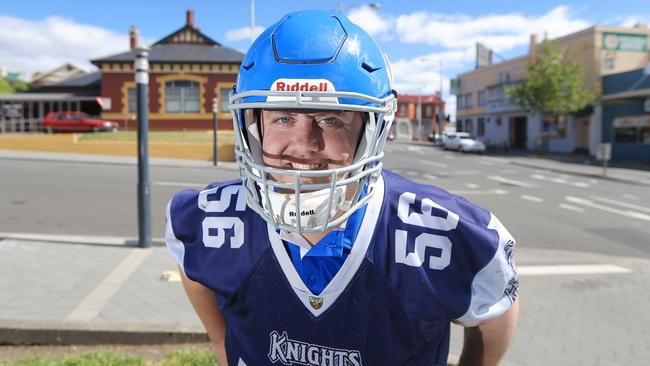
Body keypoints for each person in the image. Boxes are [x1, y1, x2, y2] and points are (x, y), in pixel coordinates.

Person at [165, 10, 519, 366]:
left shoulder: (441, 233)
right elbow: (193, 265)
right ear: (254, 127)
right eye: (283, 118)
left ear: (370, 130)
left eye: (330, 119)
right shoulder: (210, 219)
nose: (303, 146)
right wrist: (221, 344)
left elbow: (494, 310)